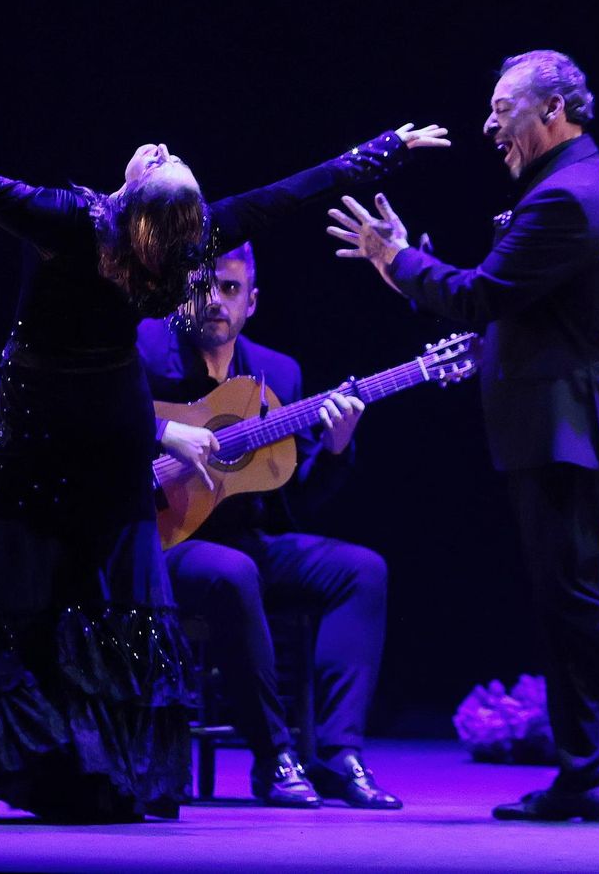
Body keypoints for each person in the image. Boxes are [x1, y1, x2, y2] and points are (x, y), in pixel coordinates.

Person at [0, 100, 447, 822]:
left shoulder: (71, 220)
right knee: (73, 600)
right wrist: (387, 146)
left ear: (139, 198)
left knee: (11, 592)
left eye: (162, 159)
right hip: (105, 428)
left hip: (37, 428)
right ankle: (17, 762)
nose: (161, 143)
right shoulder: (192, 237)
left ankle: (52, 762)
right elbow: (289, 194)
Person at [325, 51, 599, 825]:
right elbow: (503, 302)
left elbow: (479, 296)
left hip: (568, 430)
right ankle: (582, 776)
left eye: (502, 107)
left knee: (576, 599)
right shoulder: (569, 186)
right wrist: (406, 267)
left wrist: (397, 258)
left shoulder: (568, 199)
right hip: (555, 428)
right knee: (558, 603)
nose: (487, 123)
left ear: (553, 111)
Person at [139, 242, 402, 810]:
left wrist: (334, 450)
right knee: (233, 573)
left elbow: (294, 501)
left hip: (246, 541)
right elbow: (101, 424)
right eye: (204, 286)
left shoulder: (277, 374)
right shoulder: (143, 352)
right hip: (158, 541)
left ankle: (339, 755)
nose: (215, 300)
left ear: (251, 302)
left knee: (361, 570)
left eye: (230, 290)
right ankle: (275, 757)